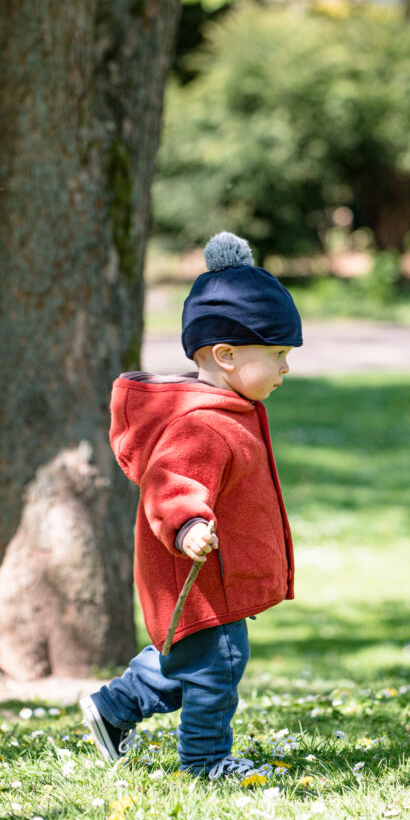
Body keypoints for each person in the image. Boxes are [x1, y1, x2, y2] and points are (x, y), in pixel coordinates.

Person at [80, 231, 302, 779]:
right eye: (276, 354)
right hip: (199, 572)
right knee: (219, 666)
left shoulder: (231, 408)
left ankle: (113, 709)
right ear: (225, 355)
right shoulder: (203, 422)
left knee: (191, 661)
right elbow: (171, 482)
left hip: (212, 576)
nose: (285, 368)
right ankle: (205, 761)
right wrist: (186, 526)